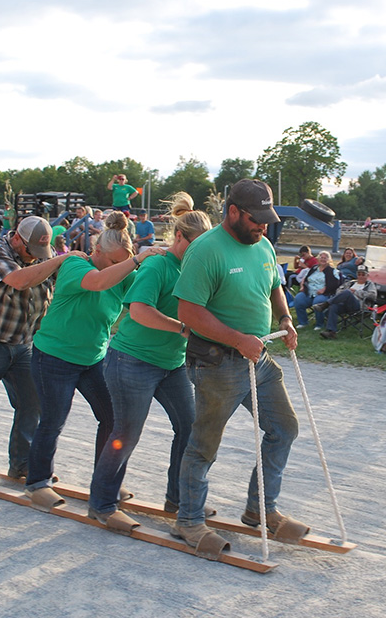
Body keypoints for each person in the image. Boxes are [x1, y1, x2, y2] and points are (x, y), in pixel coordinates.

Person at [172, 178, 303, 556]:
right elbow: (189, 312)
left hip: (257, 358)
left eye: (267, 218)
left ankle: (260, 509)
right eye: (256, 218)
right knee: (204, 444)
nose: (264, 226)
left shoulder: (261, 244)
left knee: (284, 428)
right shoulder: (206, 251)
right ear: (233, 212)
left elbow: (273, 283)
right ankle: (190, 521)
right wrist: (237, 339)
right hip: (218, 363)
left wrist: (284, 319)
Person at [24, 212, 165, 513]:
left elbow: (144, 297)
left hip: (92, 360)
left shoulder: (123, 274)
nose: (120, 269)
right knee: (53, 420)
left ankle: (105, 481)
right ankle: (38, 482)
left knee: (113, 418)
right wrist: (136, 261)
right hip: (53, 357)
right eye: (114, 262)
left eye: (122, 262)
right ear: (96, 250)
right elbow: (99, 282)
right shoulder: (76, 265)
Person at [87, 193, 211, 529]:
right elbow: (139, 311)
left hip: (171, 364)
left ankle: (178, 497)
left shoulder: (197, 268)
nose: (201, 252)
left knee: (189, 426)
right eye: (195, 244)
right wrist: (183, 328)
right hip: (131, 360)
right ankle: (102, 503)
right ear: (179, 237)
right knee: (125, 433)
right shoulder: (158, 265)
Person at [0, 216, 88, 488]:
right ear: (16, 239)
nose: (35, 257)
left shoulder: (42, 260)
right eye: (30, 251)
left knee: (32, 403)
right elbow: (18, 280)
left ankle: (22, 464)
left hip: (23, 342)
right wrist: (60, 259)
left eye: (41, 253)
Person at [319, 264, 378, 340]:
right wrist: (347, 293)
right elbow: (338, 291)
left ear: (367, 275)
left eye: (363, 274)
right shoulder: (351, 283)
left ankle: (325, 304)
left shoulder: (369, 284)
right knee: (334, 306)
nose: (361, 276)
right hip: (344, 305)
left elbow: (373, 295)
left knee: (347, 293)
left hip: (358, 306)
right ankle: (331, 332)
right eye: (359, 274)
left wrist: (356, 292)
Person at [293, 250, 341, 330]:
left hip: (324, 294)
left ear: (329, 260)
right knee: (298, 299)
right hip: (309, 292)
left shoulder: (332, 271)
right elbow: (305, 279)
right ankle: (303, 322)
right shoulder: (314, 268)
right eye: (321, 257)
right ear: (318, 259)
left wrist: (324, 289)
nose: (323, 259)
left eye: (325, 258)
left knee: (318, 302)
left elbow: (335, 284)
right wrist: (302, 286)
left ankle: (319, 324)